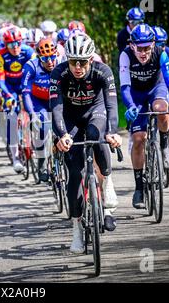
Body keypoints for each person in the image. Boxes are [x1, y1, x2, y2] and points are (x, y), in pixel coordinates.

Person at [50, 32, 121, 253]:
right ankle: (76, 228)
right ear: (67, 60)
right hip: (70, 119)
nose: (78, 67)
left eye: (82, 62)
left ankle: (107, 182)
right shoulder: (58, 73)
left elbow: (111, 106)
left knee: (96, 136)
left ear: (91, 59)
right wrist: (62, 135)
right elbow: (56, 109)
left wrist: (112, 132)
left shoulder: (103, 71)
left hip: (95, 113)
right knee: (74, 173)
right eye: (73, 62)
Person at [119, 23, 169, 209]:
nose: (144, 52)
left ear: (153, 44)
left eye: (148, 48)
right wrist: (130, 106)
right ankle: (139, 188)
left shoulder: (161, 54)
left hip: (157, 88)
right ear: (132, 46)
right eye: (140, 48)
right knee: (139, 139)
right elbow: (124, 87)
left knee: (161, 108)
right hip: (136, 95)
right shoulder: (125, 55)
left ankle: (164, 147)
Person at [0, 27, 36, 173]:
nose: (15, 47)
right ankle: (16, 158)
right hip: (9, 87)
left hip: (26, 84)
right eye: (11, 45)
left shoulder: (28, 52)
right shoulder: (0, 56)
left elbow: (35, 74)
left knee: (33, 109)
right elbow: (0, 80)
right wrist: (8, 96)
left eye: (18, 43)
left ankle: (35, 140)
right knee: (12, 119)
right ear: (6, 45)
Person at [21, 38, 59, 182]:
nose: (50, 61)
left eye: (52, 57)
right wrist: (32, 114)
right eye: (45, 58)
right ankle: (42, 162)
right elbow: (26, 93)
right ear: (39, 57)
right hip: (38, 101)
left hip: (57, 99)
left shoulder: (62, 64)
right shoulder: (30, 66)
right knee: (43, 124)